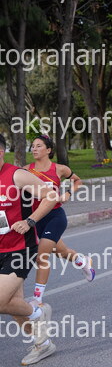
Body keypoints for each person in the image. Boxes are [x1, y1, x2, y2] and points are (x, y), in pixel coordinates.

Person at [0, 133, 59, 365]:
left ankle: (38, 312)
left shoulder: (17, 175)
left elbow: (51, 195)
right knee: (11, 304)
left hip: (20, 248)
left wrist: (30, 221)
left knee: (1, 301)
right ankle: (43, 344)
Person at [27, 135, 94, 304]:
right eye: (33, 146)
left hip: (55, 217)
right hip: (36, 219)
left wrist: (68, 193)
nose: (34, 149)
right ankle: (83, 261)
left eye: (38, 146)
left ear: (48, 150)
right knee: (62, 252)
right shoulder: (26, 170)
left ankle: (37, 300)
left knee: (41, 256)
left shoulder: (60, 169)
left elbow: (77, 181)